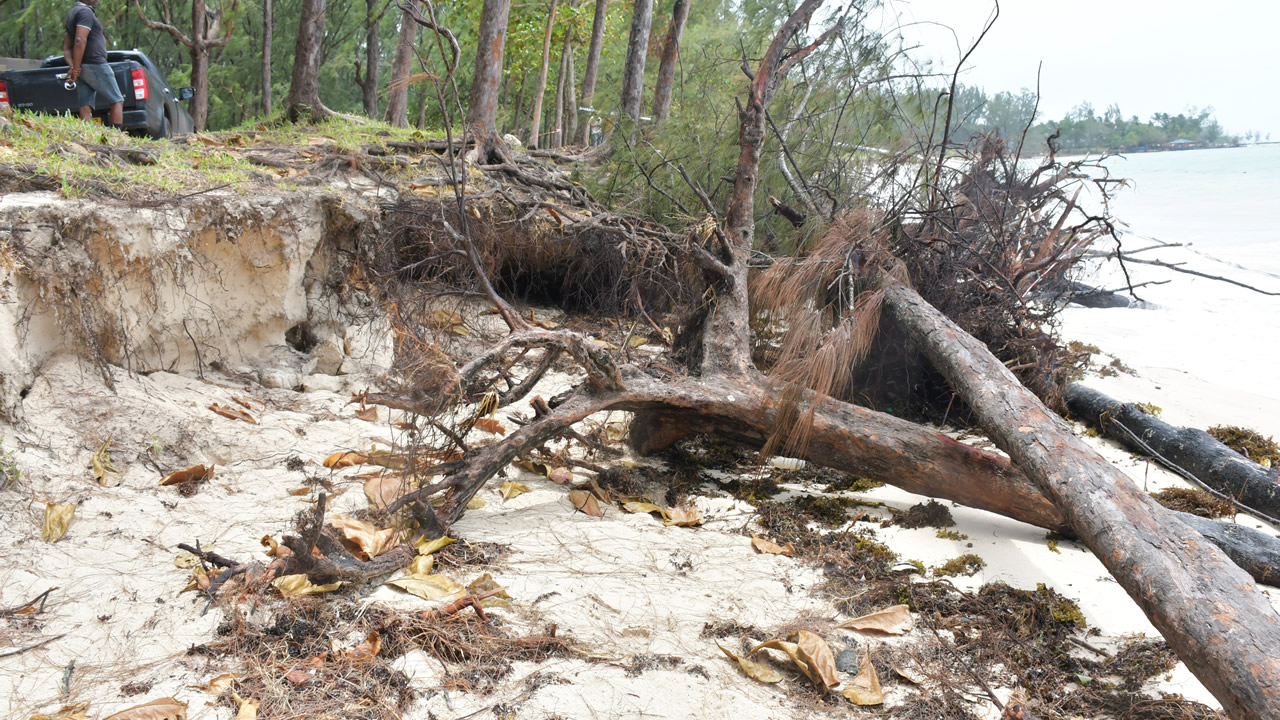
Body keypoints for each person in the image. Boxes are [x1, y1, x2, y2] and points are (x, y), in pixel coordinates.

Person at [62, 0, 123, 128]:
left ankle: (87, 135)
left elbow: (66, 48)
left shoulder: (72, 13)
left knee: (85, 103)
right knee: (117, 100)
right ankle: (119, 137)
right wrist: (76, 68)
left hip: (83, 67)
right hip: (95, 63)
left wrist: (74, 67)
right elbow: (79, 40)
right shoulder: (85, 12)